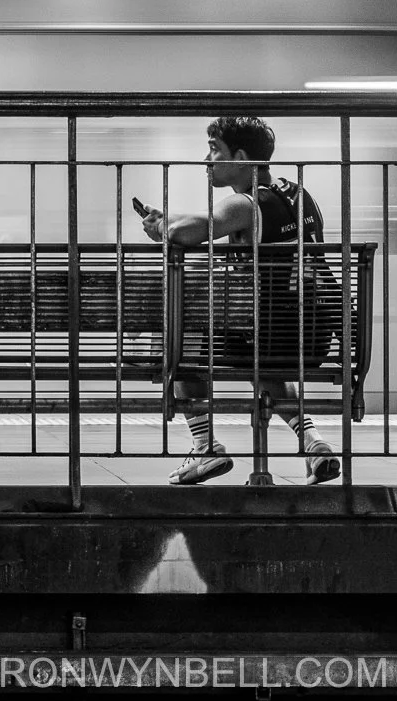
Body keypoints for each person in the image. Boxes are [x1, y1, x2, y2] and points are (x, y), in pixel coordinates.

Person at [140, 116, 341, 486]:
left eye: (214, 150)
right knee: (261, 348)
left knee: (180, 341)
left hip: (271, 338)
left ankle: (205, 446)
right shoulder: (297, 194)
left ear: (242, 155)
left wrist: (162, 228)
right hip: (311, 336)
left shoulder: (246, 204)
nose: (207, 159)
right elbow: (213, 220)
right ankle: (314, 445)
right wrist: (168, 218)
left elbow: (189, 232)